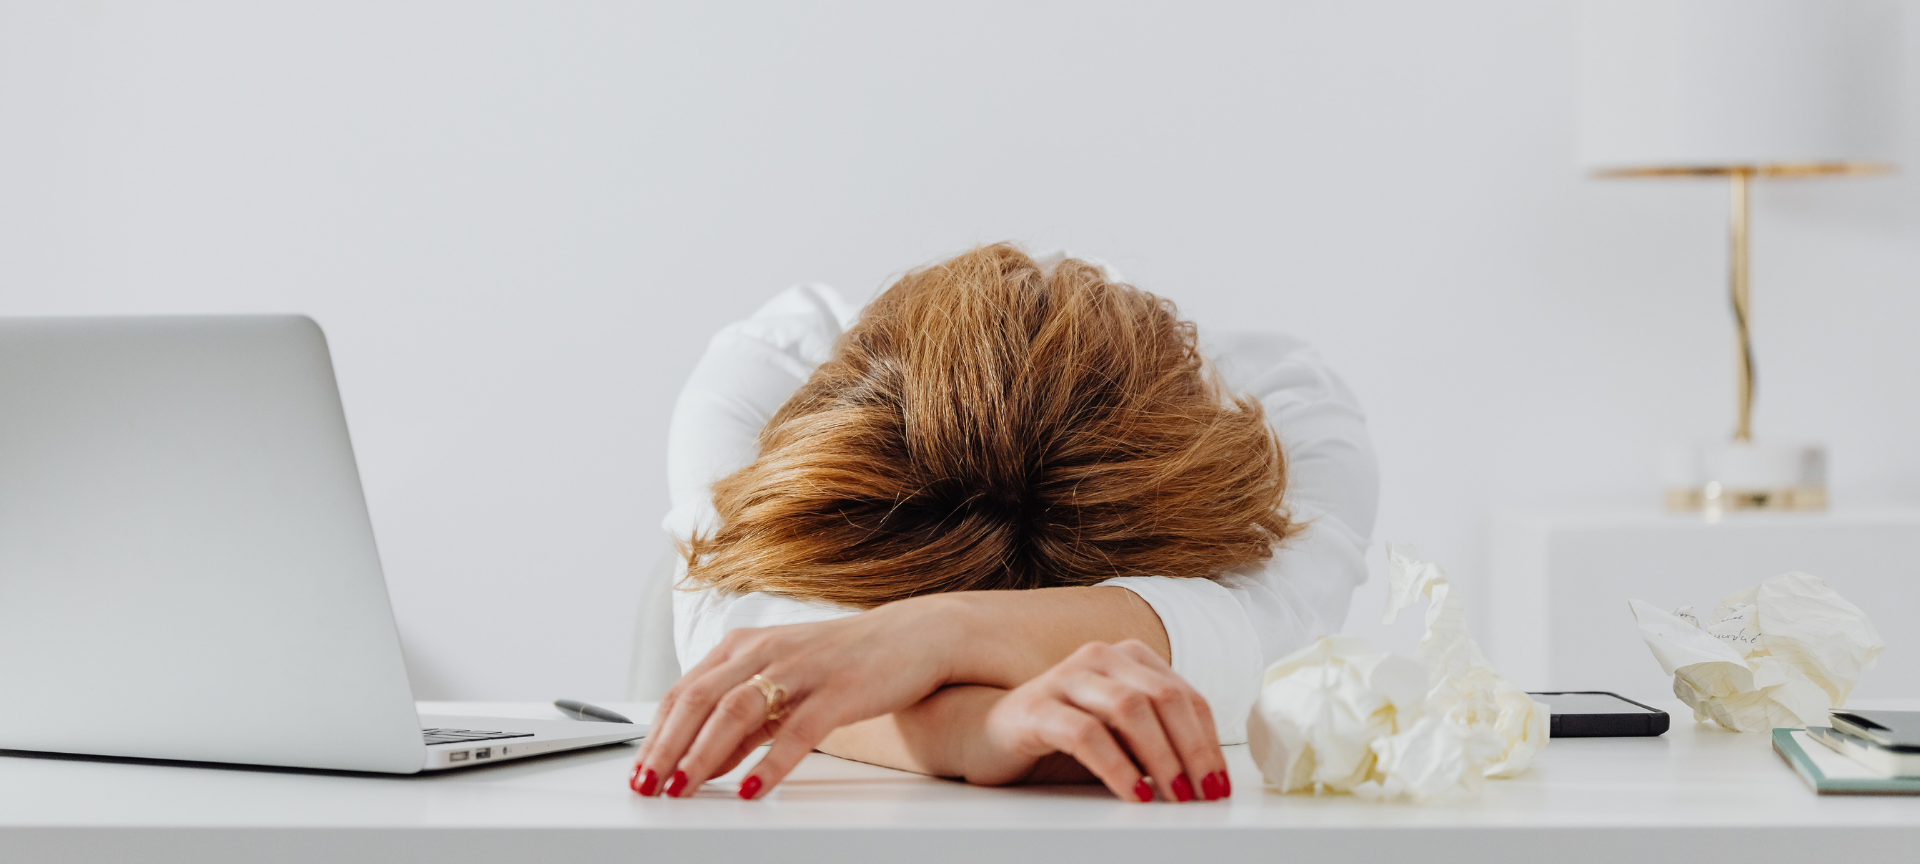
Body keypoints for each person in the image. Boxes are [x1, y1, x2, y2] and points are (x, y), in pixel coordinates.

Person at [632, 245, 1377, 802]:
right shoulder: (770, 366)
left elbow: (1266, 639)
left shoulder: (1290, 414)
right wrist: (975, 728)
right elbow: (762, 650)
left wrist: (934, 634)